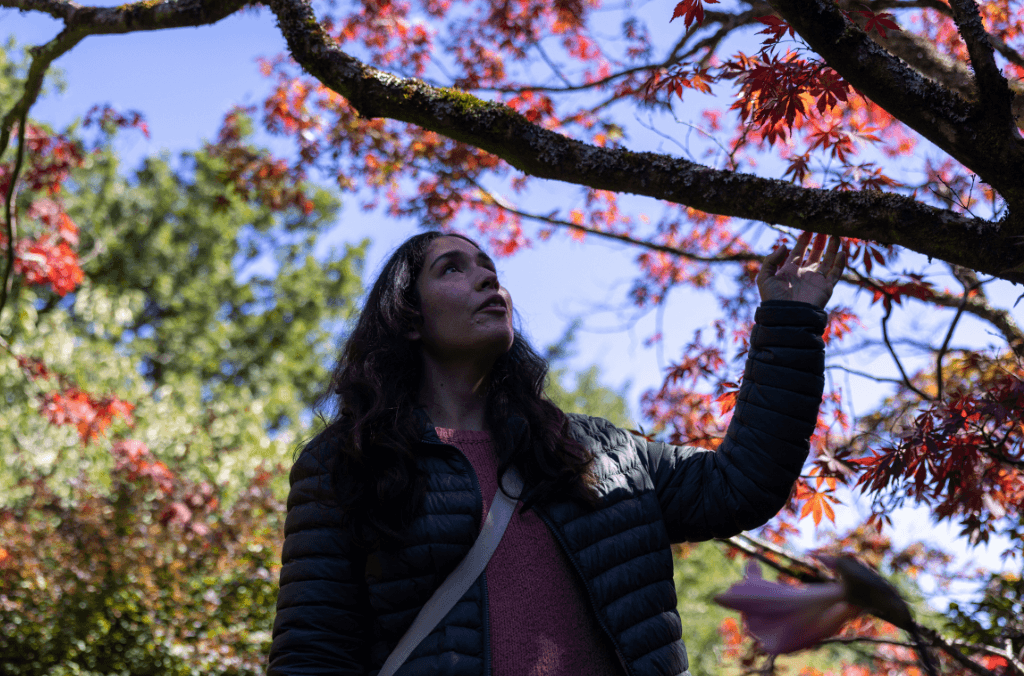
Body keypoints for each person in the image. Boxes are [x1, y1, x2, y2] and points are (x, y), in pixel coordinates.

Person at [268, 229, 846, 676]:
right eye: (453, 268)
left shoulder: (602, 452)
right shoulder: (347, 461)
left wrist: (790, 322)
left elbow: (743, 482)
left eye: (491, 269)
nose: (487, 280)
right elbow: (313, 652)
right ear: (409, 317)